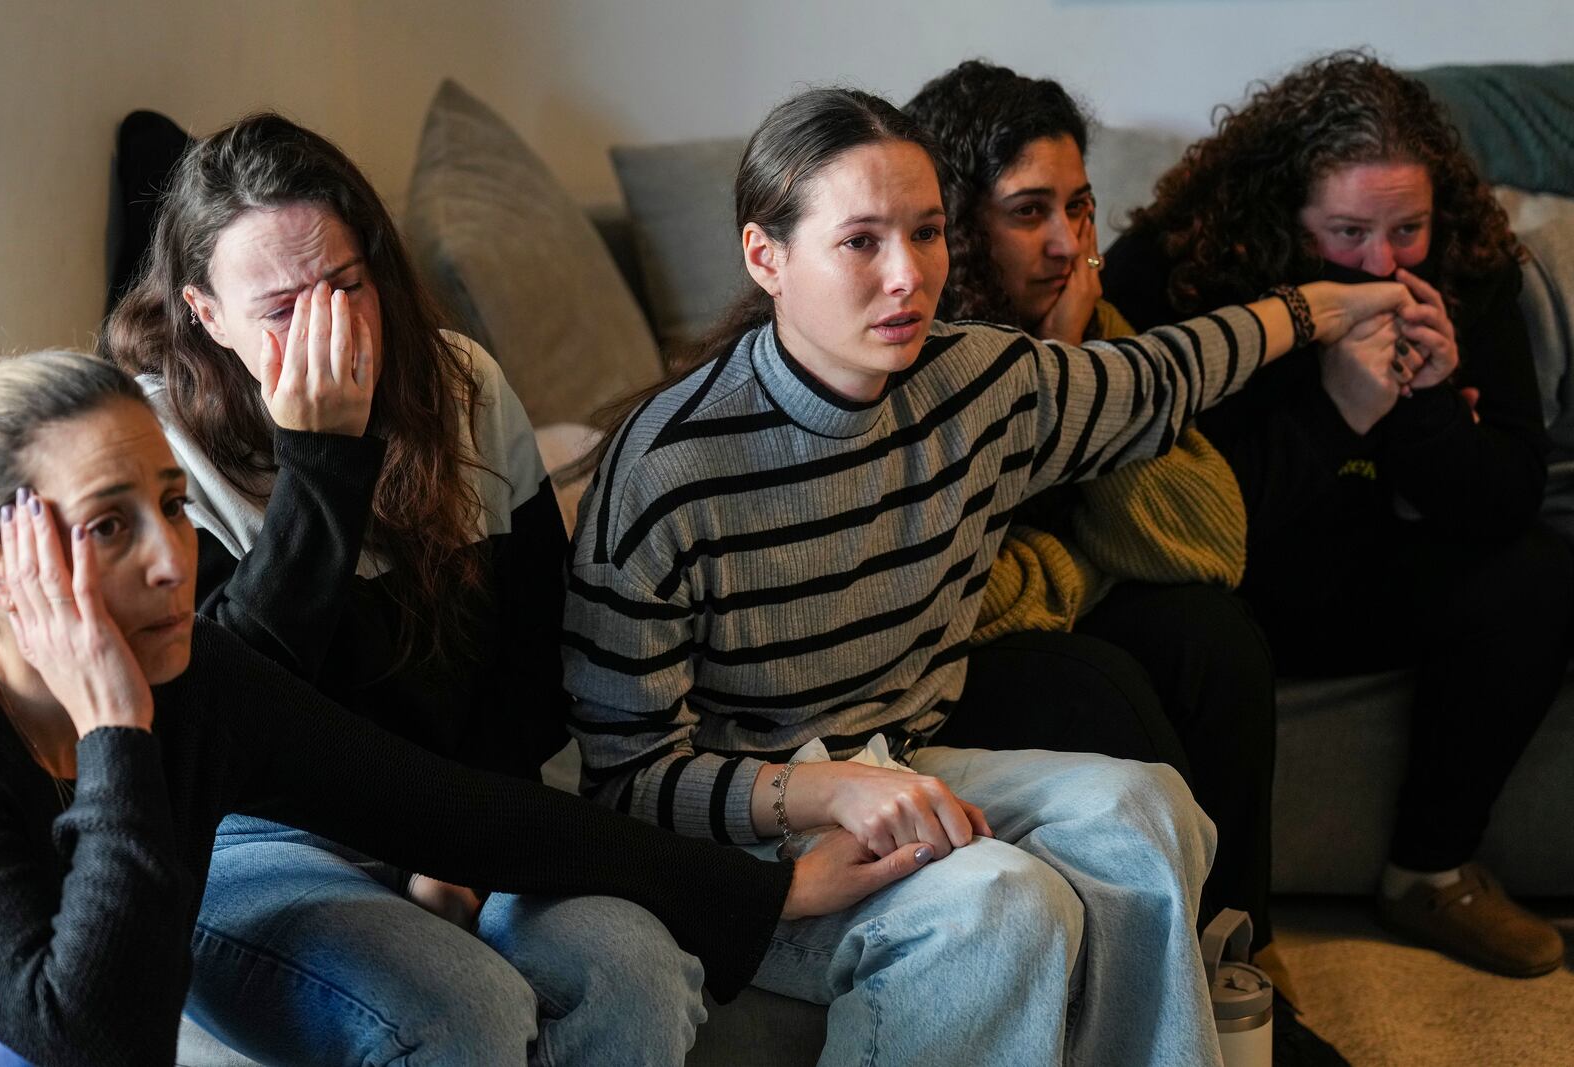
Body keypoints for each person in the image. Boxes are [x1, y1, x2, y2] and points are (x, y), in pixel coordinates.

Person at [562, 87, 1415, 1066]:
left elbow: (1161, 375)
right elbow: (622, 779)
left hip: (903, 762)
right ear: (767, 258)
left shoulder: (978, 381)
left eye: (925, 233)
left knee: (1147, 806)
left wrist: (1319, 309)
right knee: (1008, 899)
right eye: (861, 242)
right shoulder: (670, 468)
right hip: (749, 820)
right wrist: (822, 793)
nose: (907, 276)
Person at [96, 112, 925, 1065]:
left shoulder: (462, 389)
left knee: (637, 973)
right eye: (283, 309)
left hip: (466, 804)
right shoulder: (156, 454)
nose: (330, 327)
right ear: (206, 313)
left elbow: (533, 670)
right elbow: (237, 728)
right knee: (461, 1009)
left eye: (347, 285)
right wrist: (322, 462)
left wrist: (457, 855)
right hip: (260, 838)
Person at [0, 349, 925, 1067]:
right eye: (108, 523)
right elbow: (96, 1037)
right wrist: (113, 733)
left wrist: (766, 890)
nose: (170, 560)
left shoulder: (197, 681)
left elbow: (456, 813)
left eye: (174, 507)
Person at [1102, 51, 1574, 979]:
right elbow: (1181, 523)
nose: (1384, 264)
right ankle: (1233, 933)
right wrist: (1335, 414)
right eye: (1349, 231)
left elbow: (1505, 495)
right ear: (1289, 215)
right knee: (1195, 630)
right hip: (1237, 580)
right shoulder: (1182, 268)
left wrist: (1428, 406)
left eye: (1409, 228)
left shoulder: (1472, 266)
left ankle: (1430, 872)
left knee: (1537, 573)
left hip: (1376, 568)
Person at [903, 59, 1294, 1012]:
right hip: (933, 670)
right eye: (1029, 212)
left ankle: (1241, 939)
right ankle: (1178, 973)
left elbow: (1207, 542)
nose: (1065, 244)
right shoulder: (914, 348)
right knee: (1099, 681)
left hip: (1032, 621)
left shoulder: (1094, 320)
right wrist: (1080, 560)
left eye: (1079, 209)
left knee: (1214, 637)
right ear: (957, 219)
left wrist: (1079, 362)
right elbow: (966, 599)